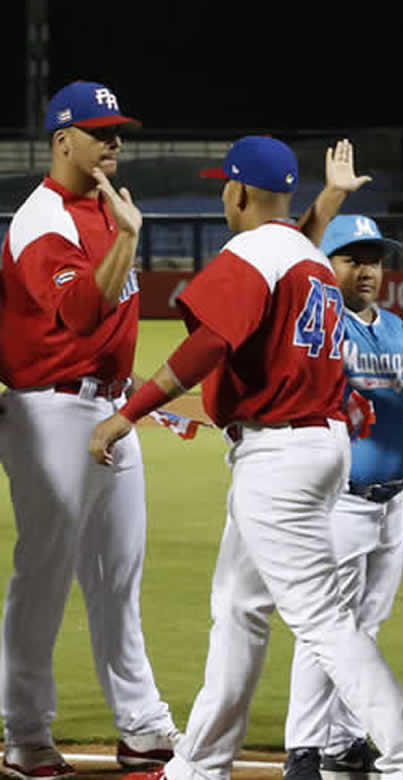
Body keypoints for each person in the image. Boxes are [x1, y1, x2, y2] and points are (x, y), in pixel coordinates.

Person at [97, 134, 403, 780]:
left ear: (235, 193)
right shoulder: (304, 255)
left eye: (223, 188)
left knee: (322, 619)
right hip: (317, 446)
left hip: (279, 455)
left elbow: (207, 344)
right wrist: (331, 198)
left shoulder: (257, 249)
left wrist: (128, 413)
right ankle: (198, 765)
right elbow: (290, 244)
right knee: (237, 606)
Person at [0, 79, 178, 778]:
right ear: (61, 139)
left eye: (117, 131)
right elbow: (76, 318)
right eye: (99, 131)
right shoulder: (43, 216)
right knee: (43, 577)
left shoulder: (107, 209)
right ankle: (26, 734)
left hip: (110, 409)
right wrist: (128, 238)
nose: (113, 143)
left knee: (117, 578)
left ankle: (141, 726)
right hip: (51, 409)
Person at [280, 215, 403, 780]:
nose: (366, 271)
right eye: (351, 258)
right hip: (342, 502)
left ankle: (342, 739)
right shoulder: (321, 327)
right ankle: (302, 749)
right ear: (325, 265)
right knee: (326, 627)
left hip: (393, 502)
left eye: (374, 259)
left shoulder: (398, 328)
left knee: (365, 627)